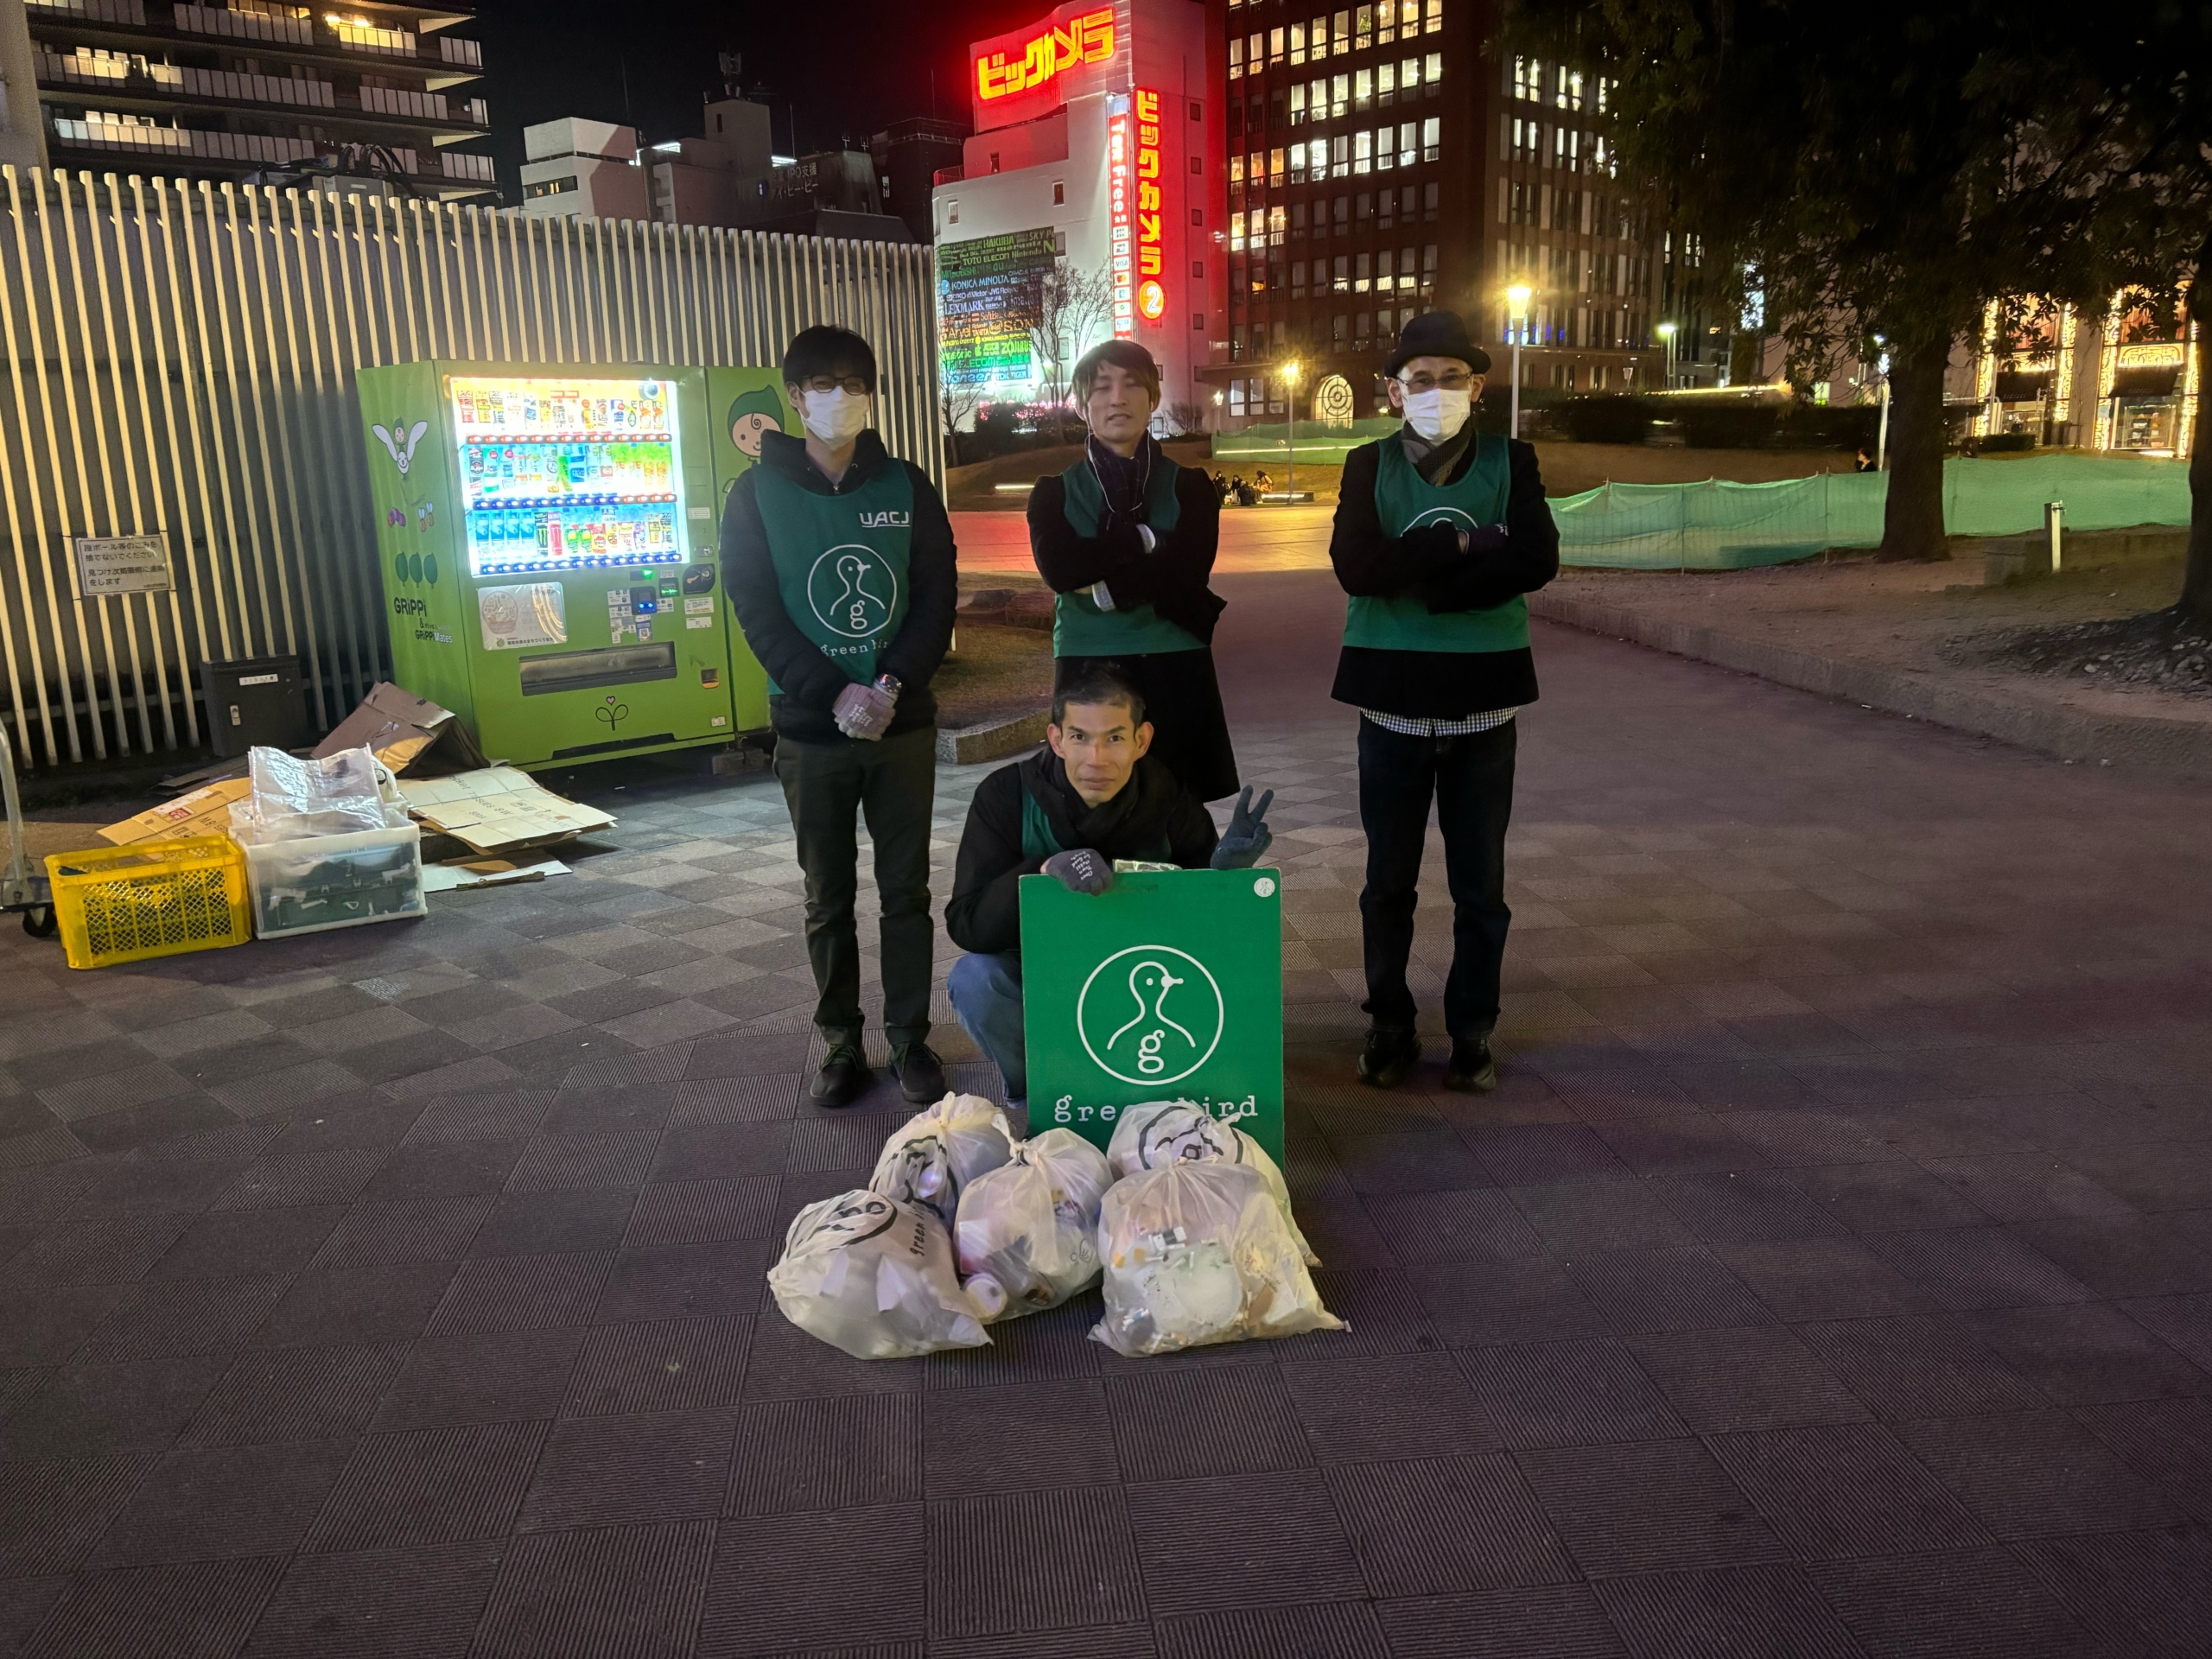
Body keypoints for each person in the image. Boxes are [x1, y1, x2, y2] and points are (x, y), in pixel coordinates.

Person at [721, 325, 957, 1109]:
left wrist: (888, 684)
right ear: (793, 396)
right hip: (811, 730)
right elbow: (755, 608)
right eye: (824, 383)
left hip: (901, 724)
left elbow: (935, 597)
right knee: (826, 895)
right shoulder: (756, 493)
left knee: (907, 892)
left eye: (856, 383)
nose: (840, 397)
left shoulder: (907, 486)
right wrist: (834, 693)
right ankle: (841, 1040)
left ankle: (911, 1039)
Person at [1328, 309, 1559, 1094]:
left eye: (1450, 378)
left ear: (1478, 386)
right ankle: (1389, 1023)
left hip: (1483, 705)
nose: (1435, 391)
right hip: (1388, 704)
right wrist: (1466, 544)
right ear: (1394, 391)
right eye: (1419, 380)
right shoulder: (1367, 465)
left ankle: (1472, 1030)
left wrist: (1416, 577)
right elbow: (1355, 567)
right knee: (1387, 882)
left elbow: (1535, 557)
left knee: (1479, 890)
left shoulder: (1511, 460)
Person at [944, 662, 1274, 1112]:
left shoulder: (1169, 797)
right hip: (1043, 976)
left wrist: (1225, 878)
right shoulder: (1005, 795)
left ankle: (1171, 1078)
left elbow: (1212, 936)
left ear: (1142, 740)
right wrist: (1042, 867)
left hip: (1143, 973)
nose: (1096, 759)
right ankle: (1035, 1090)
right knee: (975, 979)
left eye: (1115, 738)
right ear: (1057, 739)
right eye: (1080, 737)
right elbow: (966, 925)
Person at [1026, 340, 1239, 802]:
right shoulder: (1054, 492)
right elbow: (1061, 571)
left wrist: (1099, 587)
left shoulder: (1191, 487)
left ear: (1154, 399)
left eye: (1131, 385)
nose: (1116, 398)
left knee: (1180, 811)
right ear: (1083, 405)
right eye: (1101, 388)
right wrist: (1147, 540)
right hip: (1088, 663)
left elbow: (1188, 572)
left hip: (1175, 661)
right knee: (1094, 804)